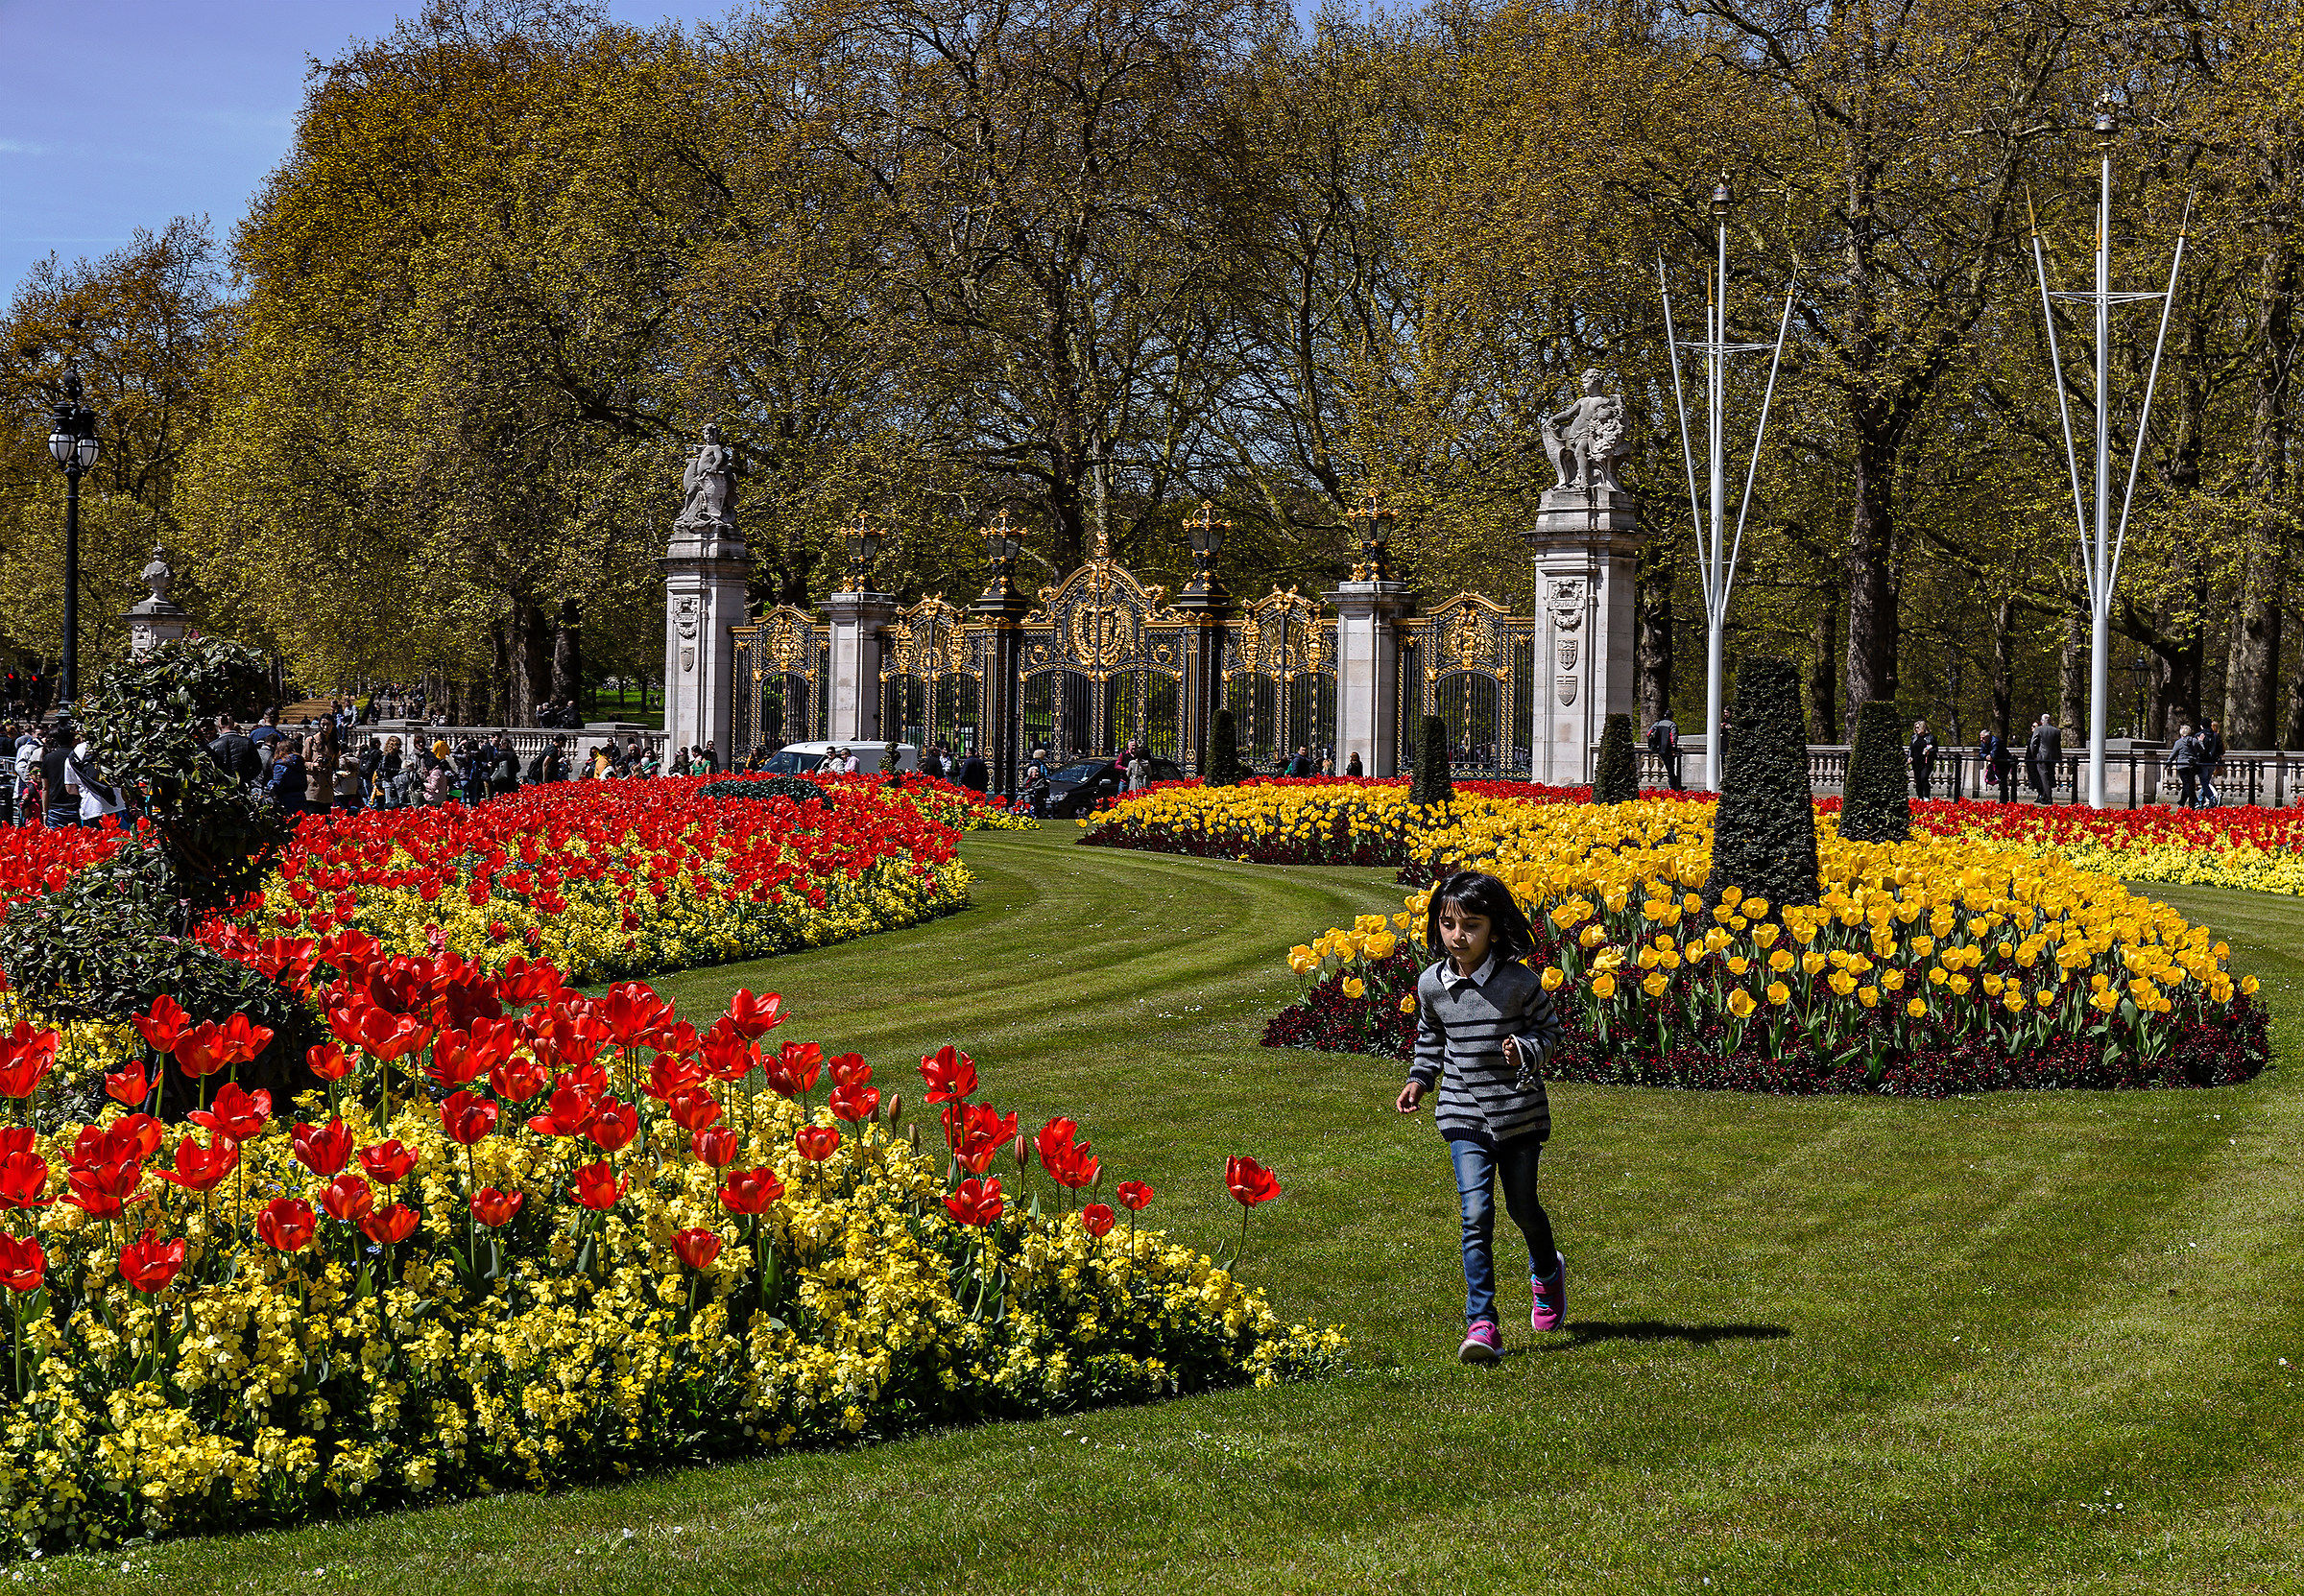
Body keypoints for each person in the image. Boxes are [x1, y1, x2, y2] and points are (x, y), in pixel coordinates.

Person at [1395, 869, 1566, 1364]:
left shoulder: (1518, 982)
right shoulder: (1433, 984)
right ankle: (1483, 1323)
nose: (1458, 936)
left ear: (1494, 927)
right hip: (1462, 1113)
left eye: (1470, 924)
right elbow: (1430, 1038)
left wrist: (1527, 1050)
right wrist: (1419, 1080)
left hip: (1518, 1114)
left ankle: (1546, 1272)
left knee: (1523, 1208)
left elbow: (1551, 1032)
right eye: (1449, 924)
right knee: (1475, 1215)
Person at [2027, 714, 2061, 803]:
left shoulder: (2038, 729)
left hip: (2041, 757)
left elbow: (2033, 743)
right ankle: (2046, 796)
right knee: (2050, 775)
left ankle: (2048, 797)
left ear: (2042, 721)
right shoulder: (2056, 731)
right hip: (2052, 757)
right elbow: (2058, 746)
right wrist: (2059, 758)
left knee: (2044, 777)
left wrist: (2034, 754)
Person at [2170, 723, 2202, 809]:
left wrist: (2168, 762)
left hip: (2182, 766)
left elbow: (2173, 754)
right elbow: (2202, 750)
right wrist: (2200, 742)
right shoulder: (2194, 741)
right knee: (2188, 784)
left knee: (2187, 784)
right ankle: (2182, 803)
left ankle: (2194, 802)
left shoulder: (2179, 742)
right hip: (2192, 765)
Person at [1646, 714, 1682, 792]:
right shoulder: (1672, 724)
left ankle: (1674, 784)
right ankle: (1674, 786)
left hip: (1659, 749)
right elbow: (1673, 737)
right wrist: (1673, 748)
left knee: (1669, 767)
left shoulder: (1657, 724)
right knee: (1670, 768)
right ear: (1671, 716)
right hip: (1668, 749)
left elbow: (1648, 733)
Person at [1908, 720, 1938, 800]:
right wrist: (1910, 757)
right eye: (1915, 728)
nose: (1916, 729)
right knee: (1918, 780)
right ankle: (1920, 797)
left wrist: (1929, 751)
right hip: (1916, 762)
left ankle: (1926, 796)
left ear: (1923, 728)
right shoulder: (1914, 737)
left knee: (1924, 778)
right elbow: (1911, 749)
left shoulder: (1930, 737)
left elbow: (1935, 749)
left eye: (1918, 727)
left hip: (1926, 762)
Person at [2199, 718, 2225, 808]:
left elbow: (2200, 750)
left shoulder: (2202, 735)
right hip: (2214, 761)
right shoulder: (2217, 736)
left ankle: (2213, 797)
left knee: (2205, 782)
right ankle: (2201, 800)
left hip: (2204, 762)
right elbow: (2221, 750)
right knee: (2206, 781)